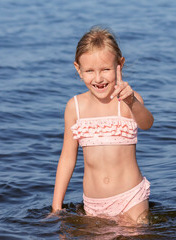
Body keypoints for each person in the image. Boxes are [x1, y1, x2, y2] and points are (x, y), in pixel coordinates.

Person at [51, 26, 154, 224]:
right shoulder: (75, 107)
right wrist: (57, 206)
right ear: (78, 69)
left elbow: (147, 123)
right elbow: (67, 158)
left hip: (131, 197)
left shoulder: (127, 101)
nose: (98, 79)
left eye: (105, 69)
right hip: (93, 203)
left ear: (120, 65)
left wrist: (132, 101)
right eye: (89, 71)